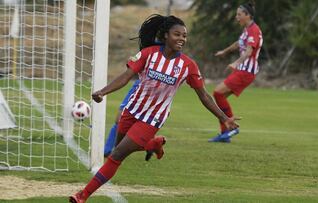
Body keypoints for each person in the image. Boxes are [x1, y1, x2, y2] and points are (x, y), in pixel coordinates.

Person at [69, 14, 239, 203]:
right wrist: (102, 91)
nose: (182, 39)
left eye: (184, 36)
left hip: (153, 118)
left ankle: (82, 195)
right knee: (119, 149)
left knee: (116, 155)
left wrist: (224, 118)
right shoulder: (148, 53)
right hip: (132, 110)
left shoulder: (188, 66)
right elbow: (126, 77)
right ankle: (153, 144)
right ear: (166, 35)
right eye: (177, 34)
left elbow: (204, 95)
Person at [208, 1, 263, 143]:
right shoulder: (247, 29)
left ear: (248, 15)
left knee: (218, 93)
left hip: (246, 72)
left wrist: (236, 62)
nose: (236, 17)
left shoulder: (254, 30)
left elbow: (249, 51)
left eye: (239, 14)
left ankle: (230, 128)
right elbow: (238, 44)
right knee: (219, 97)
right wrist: (224, 52)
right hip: (242, 71)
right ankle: (225, 133)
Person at [103, 79, 140, 157]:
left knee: (120, 119)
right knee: (120, 120)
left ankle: (153, 144)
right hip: (141, 84)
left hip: (148, 87)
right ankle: (107, 150)